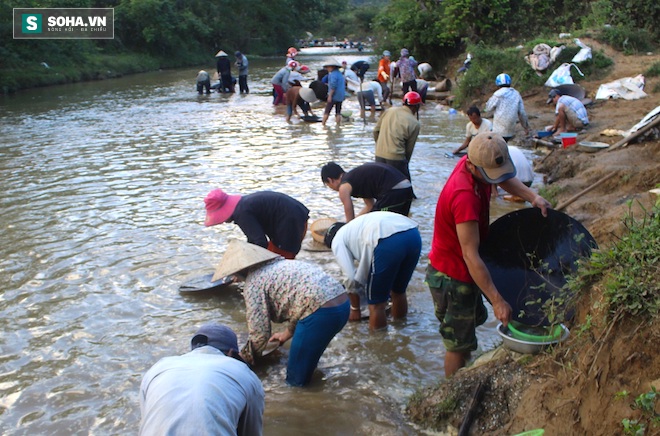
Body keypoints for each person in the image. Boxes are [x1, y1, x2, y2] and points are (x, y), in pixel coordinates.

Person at [426, 132, 551, 377]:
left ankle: (465, 369)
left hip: (466, 269)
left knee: (466, 332)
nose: (496, 179)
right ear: (471, 165)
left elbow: (502, 177)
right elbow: (471, 256)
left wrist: (532, 197)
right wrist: (497, 300)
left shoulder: (476, 159)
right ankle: (452, 389)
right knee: (457, 344)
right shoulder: (464, 197)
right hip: (452, 276)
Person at [213, 240, 349, 387]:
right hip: (342, 305)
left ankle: (301, 404)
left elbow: (260, 333)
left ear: (239, 272)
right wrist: (287, 333)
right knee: (308, 362)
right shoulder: (284, 265)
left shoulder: (253, 284)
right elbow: (299, 303)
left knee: (296, 382)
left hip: (321, 314)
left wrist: (244, 359)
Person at [139, 323, 265, 435]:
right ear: (231, 353)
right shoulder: (244, 373)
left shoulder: (157, 369)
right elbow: (251, 431)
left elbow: (147, 423)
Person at [324, 211, 421, 331]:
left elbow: (349, 277)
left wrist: (355, 309)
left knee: (377, 304)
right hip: (412, 234)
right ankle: (401, 331)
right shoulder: (355, 226)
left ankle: (378, 345)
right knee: (398, 292)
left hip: (387, 241)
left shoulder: (337, 240)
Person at [204, 189, 309, 259]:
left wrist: (248, 267)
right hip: (296, 215)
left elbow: (260, 242)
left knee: (282, 261)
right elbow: (253, 238)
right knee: (275, 256)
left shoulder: (241, 213)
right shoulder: (242, 207)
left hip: (290, 220)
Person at [320, 161, 413, 222]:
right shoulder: (356, 178)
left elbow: (349, 213)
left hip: (393, 190)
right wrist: (357, 221)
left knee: (378, 223)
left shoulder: (343, 187)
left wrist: (347, 230)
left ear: (330, 180)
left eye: (328, 185)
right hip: (406, 187)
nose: (332, 188)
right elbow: (370, 206)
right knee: (401, 223)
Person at [373, 91, 422, 185]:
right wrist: (404, 164)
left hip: (379, 155)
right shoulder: (415, 123)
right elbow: (409, 149)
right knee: (406, 190)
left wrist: (379, 146)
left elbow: (375, 131)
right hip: (396, 158)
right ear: (416, 107)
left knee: (381, 185)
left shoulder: (389, 111)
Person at [483, 73, 530, 141]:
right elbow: (522, 113)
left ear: (498, 84)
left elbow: (488, 108)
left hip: (498, 131)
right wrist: (526, 127)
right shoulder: (516, 94)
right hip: (510, 131)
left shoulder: (497, 94)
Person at [322, 60, 346, 126]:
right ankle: (338, 126)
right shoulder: (340, 74)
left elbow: (333, 86)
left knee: (327, 111)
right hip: (340, 95)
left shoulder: (333, 75)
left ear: (332, 67)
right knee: (338, 112)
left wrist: (330, 96)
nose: (327, 69)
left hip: (334, 95)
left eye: (328, 67)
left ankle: (323, 124)